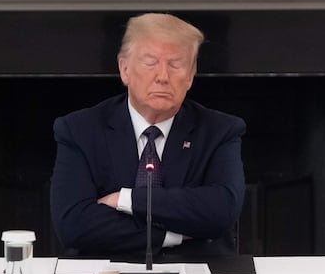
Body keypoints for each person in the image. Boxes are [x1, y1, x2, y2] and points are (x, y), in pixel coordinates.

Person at [50, 13, 245, 259]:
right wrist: (171, 236)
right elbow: (73, 224)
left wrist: (126, 199)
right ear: (125, 69)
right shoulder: (79, 129)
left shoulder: (220, 131)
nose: (162, 76)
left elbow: (222, 210)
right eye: (150, 62)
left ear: (190, 76)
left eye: (175, 65)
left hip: (198, 272)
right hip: (105, 272)